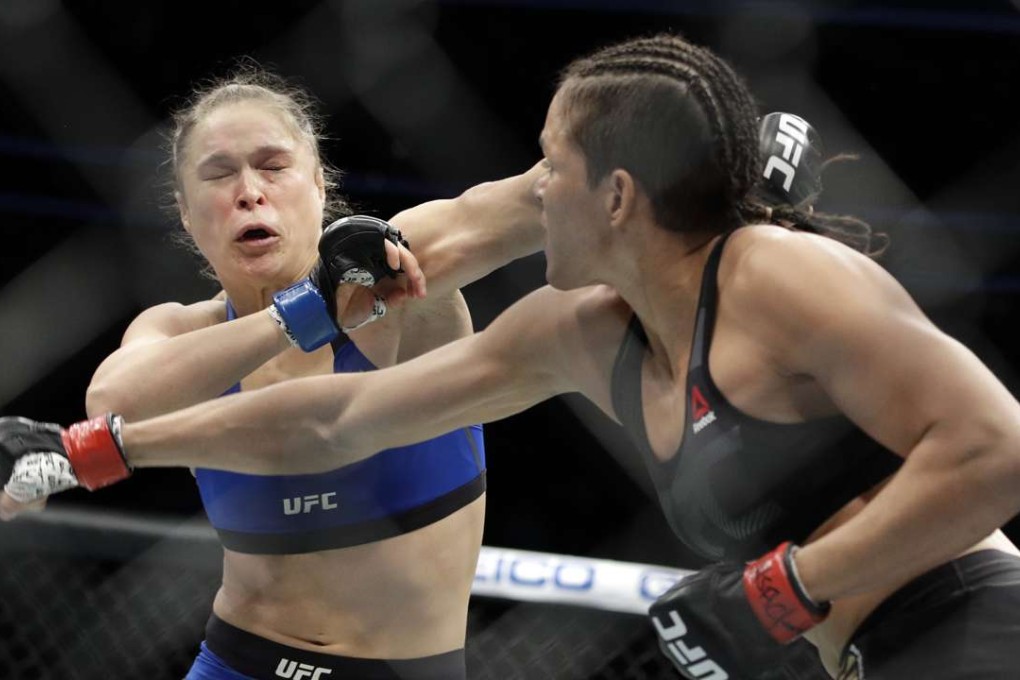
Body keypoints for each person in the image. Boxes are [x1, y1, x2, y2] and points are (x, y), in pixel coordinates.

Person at [6, 33, 1020, 678]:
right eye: (217, 176)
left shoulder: (771, 274)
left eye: (552, 165)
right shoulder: (568, 331)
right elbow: (331, 416)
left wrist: (782, 589)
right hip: (844, 652)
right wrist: (100, 446)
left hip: (960, 618)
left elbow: (1000, 450)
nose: (534, 189)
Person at [1, 66, 547, 680]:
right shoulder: (180, 332)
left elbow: (526, 202)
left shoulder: (396, 269)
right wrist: (307, 309)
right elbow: (115, 400)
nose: (249, 191)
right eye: (218, 173)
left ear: (319, 183)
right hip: (240, 664)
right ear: (185, 214)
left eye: (272, 165)